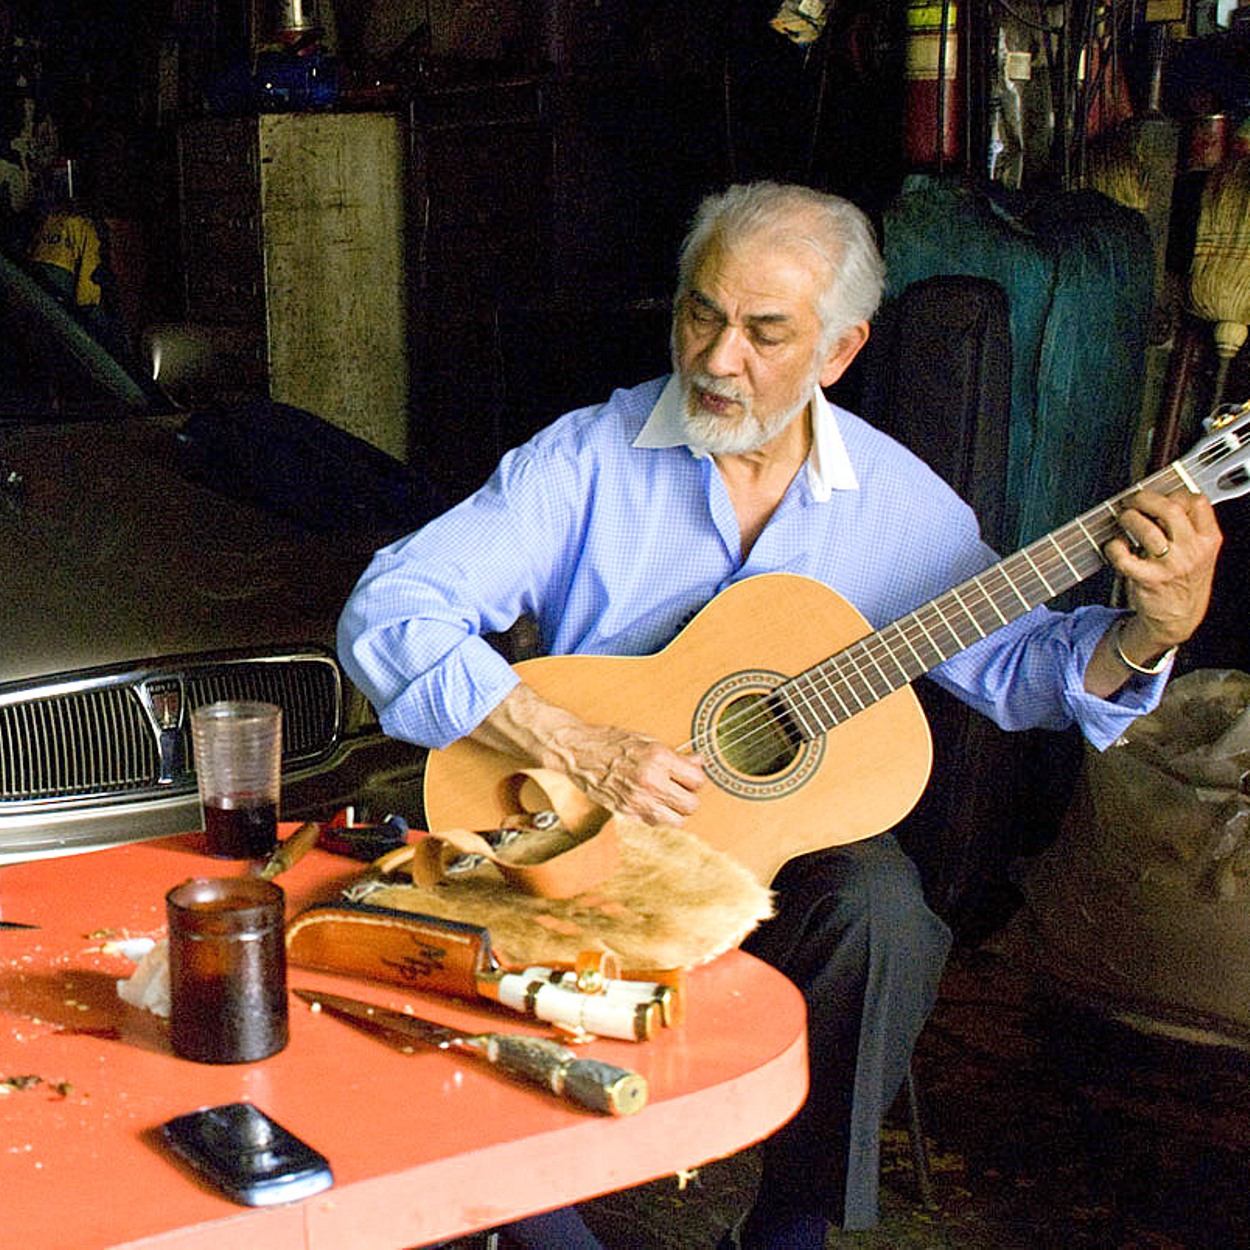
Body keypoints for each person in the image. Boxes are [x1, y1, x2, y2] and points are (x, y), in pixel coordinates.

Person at [338, 181, 1222, 1248]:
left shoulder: (890, 501)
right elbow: (391, 607)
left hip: (756, 855)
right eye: (700, 313)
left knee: (882, 909)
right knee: (439, 956)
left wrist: (1148, 632)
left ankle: (793, 1225)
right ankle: (540, 1223)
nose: (717, 359)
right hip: (567, 828)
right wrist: (574, 740)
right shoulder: (584, 457)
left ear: (839, 351)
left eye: (764, 333)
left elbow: (1019, 669)